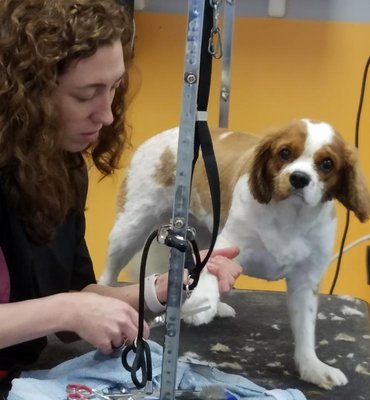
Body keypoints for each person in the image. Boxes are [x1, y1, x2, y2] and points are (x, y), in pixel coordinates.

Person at [0, 0, 242, 395]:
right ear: (27, 96)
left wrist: (167, 287)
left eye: (114, 89)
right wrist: (70, 309)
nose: (108, 115)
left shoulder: (58, 167)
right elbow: (67, 307)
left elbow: (78, 292)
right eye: (86, 95)